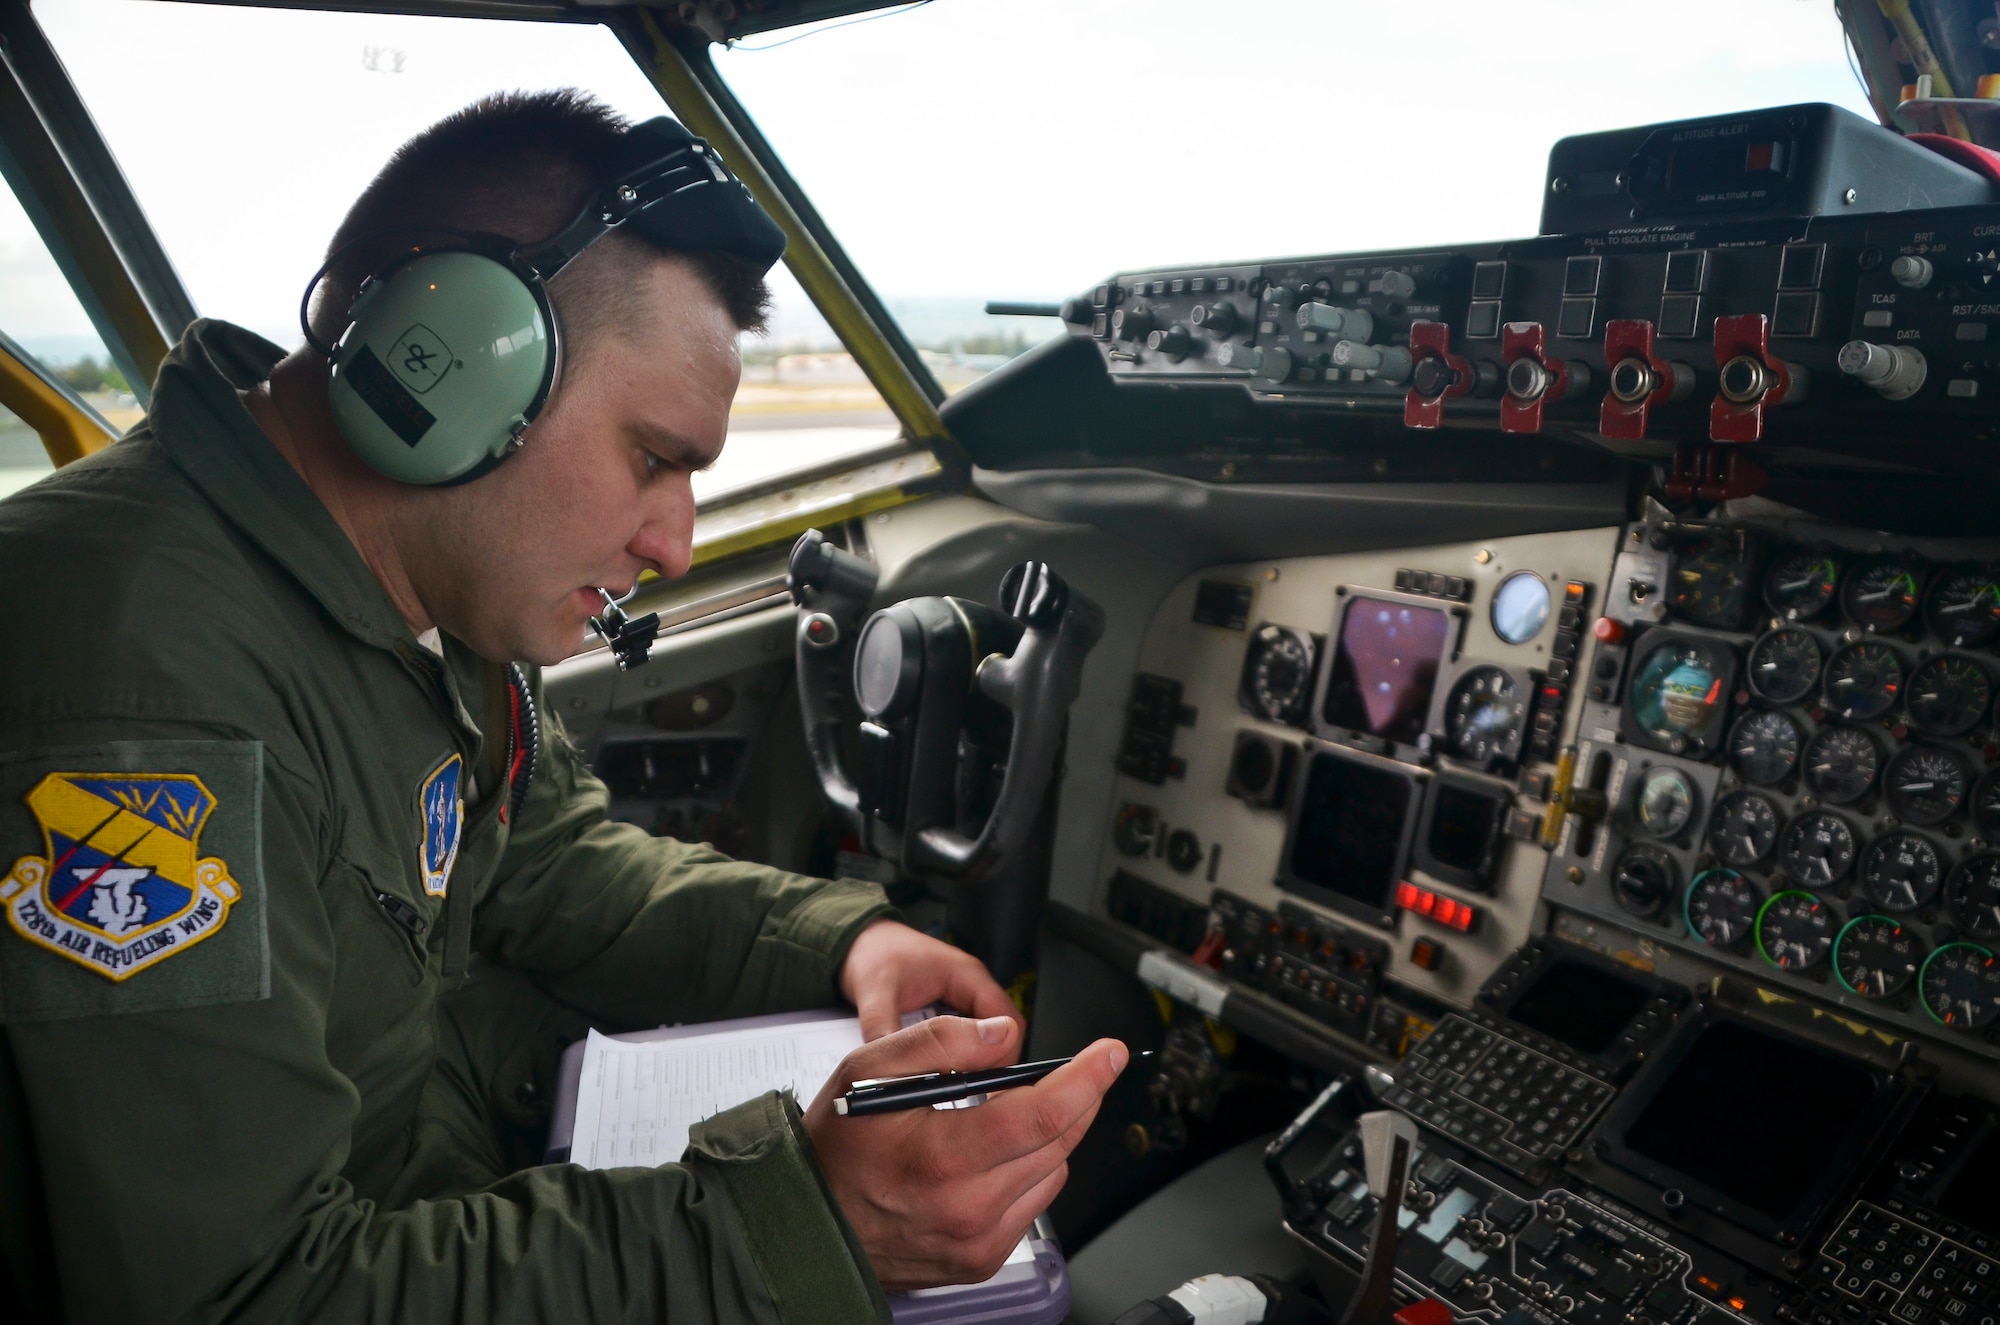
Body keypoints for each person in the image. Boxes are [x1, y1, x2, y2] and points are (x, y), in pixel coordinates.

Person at [0, 89, 1124, 1324]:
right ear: (443, 358)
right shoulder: (145, 687)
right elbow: (243, 1296)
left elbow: (548, 860)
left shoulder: (423, 595)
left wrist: (836, 940)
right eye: (654, 458)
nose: (676, 545)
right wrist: (799, 1220)